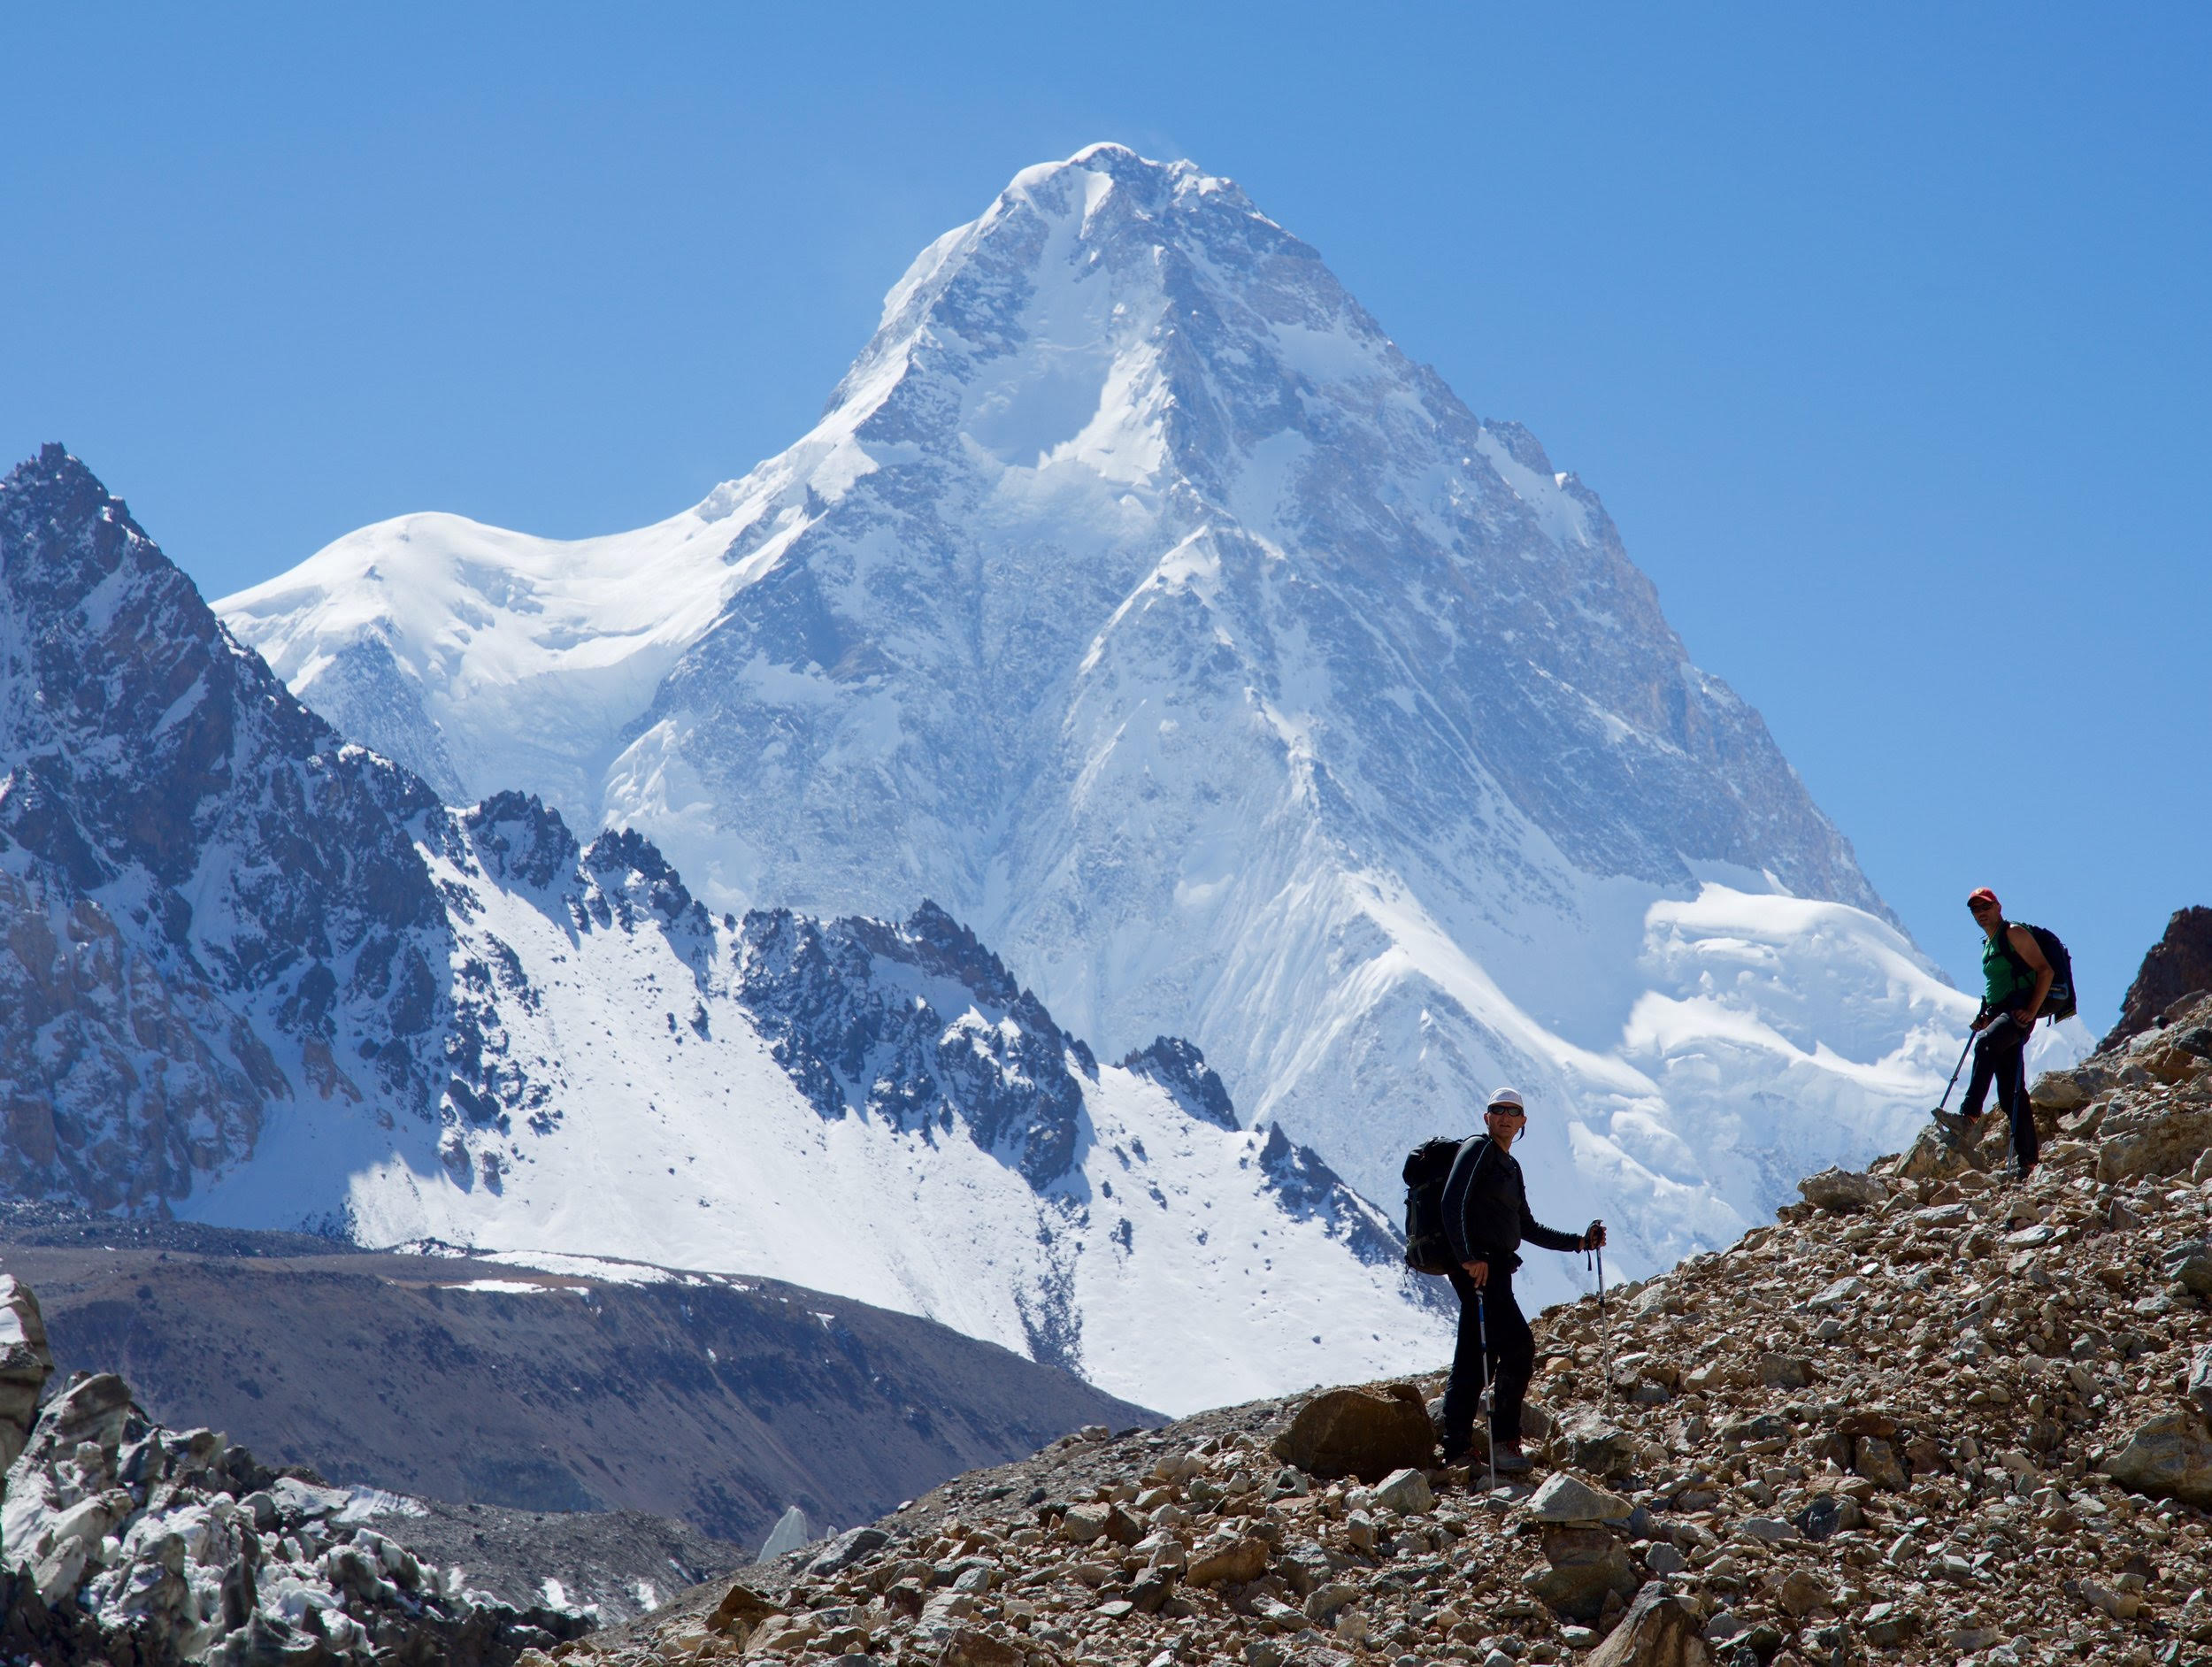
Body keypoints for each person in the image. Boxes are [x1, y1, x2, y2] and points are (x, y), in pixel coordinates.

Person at [1435, 1087, 1603, 1472]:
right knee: (1518, 1348)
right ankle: (1502, 1443)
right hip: (1480, 1270)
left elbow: (1526, 1226)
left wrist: (1579, 1242)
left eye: (1513, 1112)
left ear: (1523, 1122)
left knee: (1477, 1356)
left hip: (1496, 1269)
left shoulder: (1510, 1167)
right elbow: (1451, 1202)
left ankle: (1457, 1447)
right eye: (1498, 1111)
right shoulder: (1477, 1149)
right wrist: (1467, 1259)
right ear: (1487, 1118)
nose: (1506, 1117)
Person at [1939, 887, 2051, 1178]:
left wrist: (2032, 1010)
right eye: (1975, 909)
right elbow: (1998, 986)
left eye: (1985, 906)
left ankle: (1969, 1115)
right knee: (2010, 1092)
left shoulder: (2013, 933)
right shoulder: (1989, 943)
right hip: (2001, 1013)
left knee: (1986, 1044)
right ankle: (2027, 1161)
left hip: (2016, 1013)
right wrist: (1986, 1016)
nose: (1981, 913)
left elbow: (2044, 970)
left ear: (1998, 906)